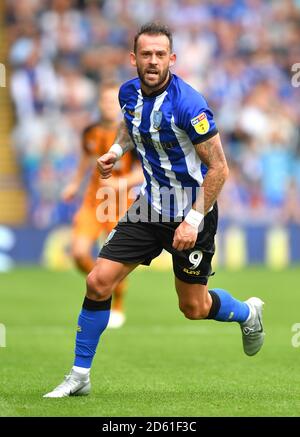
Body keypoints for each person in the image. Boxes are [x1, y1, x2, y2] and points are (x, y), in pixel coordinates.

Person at [44, 22, 265, 398]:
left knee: (193, 307)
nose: (153, 61)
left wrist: (193, 220)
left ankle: (247, 313)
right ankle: (80, 374)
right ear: (134, 59)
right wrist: (116, 151)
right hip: (148, 208)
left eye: (160, 55)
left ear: (172, 59)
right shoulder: (128, 93)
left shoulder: (189, 104)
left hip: (191, 214)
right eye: (146, 54)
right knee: (98, 281)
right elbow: (131, 127)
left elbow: (220, 168)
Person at [61, 81, 143, 328]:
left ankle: (117, 303)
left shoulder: (133, 134)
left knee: (115, 263)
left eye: (112, 102)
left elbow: (143, 171)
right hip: (92, 202)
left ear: (119, 106)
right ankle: (105, 285)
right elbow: (86, 159)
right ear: (99, 104)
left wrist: (123, 183)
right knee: (77, 253)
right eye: (105, 101)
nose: (108, 105)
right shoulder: (90, 132)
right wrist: (74, 183)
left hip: (120, 203)